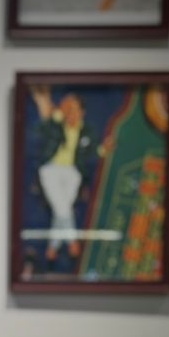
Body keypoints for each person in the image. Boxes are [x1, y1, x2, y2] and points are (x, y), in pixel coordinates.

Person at [30, 86, 108, 262]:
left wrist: (103, 149)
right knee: (62, 207)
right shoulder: (55, 124)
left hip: (73, 171)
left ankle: (53, 247)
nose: (69, 112)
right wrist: (54, 114)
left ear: (81, 112)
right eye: (66, 108)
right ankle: (72, 241)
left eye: (73, 108)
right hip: (51, 168)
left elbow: (93, 150)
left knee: (62, 209)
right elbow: (41, 129)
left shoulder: (87, 130)